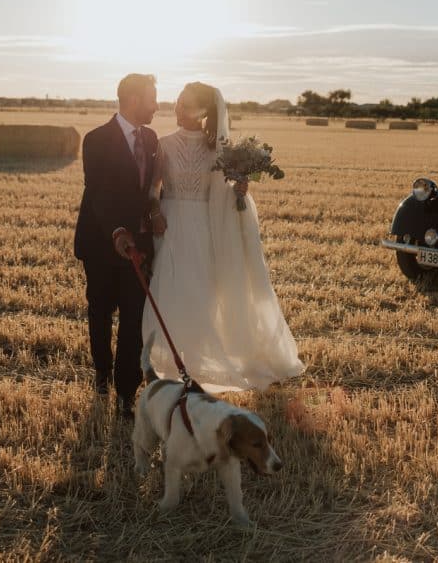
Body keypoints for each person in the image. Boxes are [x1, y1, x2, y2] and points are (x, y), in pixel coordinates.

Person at [138, 81, 305, 392]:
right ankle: (171, 365)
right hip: (170, 226)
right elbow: (153, 188)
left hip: (202, 228)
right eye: (177, 102)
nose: (177, 109)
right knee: (170, 290)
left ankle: (195, 362)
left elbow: (225, 193)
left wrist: (242, 189)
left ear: (203, 112)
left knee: (201, 294)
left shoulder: (218, 149)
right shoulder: (163, 144)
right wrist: (155, 212)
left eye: (184, 104)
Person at [73, 73, 160, 419]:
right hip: (101, 242)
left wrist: (153, 211)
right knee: (100, 310)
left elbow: (152, 187)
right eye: (152, 98)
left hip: (139, 243)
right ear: (134, 100)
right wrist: (117, 230)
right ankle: (102, 372)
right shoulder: (96, 139)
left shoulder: (152, 138)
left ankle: (126, 391)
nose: (157, 105)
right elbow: (99, 192)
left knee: (134, 317)